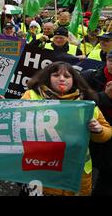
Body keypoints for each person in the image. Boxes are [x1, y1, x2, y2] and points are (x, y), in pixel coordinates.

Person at [21, 61, 112, 196]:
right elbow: (16, 122)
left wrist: (98, 130)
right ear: (48, 78)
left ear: (74, 80)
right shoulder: (32, 96)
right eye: (56, 75)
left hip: (75, 172)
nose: (62, 79)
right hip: (40, 169)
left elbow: (107, 131)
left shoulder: (86, 102)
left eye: (67, 76)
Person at [81, 50, 112, 195]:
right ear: (107, 60)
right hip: (90, 133)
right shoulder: (89, 76)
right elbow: (77, 103)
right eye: (111, 60)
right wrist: (104, 96)